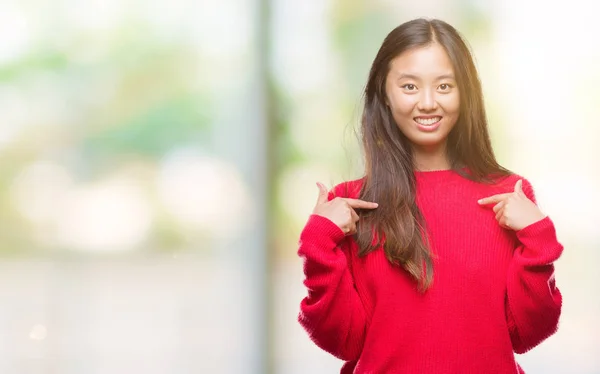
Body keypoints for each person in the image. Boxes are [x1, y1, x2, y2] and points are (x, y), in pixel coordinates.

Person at [296, 18, 563, 374]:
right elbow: (342, 340)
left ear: (465, 93)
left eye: (444, 86)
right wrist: (318, 243)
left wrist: (539, 238)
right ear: (384, 93)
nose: (427, 102)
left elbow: (526, 333)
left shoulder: (508, 195)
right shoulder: (349, 204)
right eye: (409, 86)